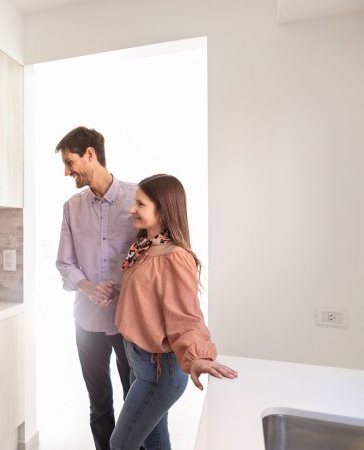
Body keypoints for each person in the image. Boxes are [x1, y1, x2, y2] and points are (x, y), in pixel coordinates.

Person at [110, 174, 238, 450]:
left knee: (120, 443)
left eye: (140, 204)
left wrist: (198, 357)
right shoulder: (144, 248)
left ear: (163, 211)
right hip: (139, 362)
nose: (132, 209)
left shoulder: (174, 257)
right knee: (155, 440)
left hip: (159, 371)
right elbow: (150, 299)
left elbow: (186, 317)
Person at [55, 126, 137, 450]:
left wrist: (121, 286)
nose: (66, 171)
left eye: (69, 162)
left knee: (135, 402)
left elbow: (151, 255)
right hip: (86, 323)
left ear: (90, 154)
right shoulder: (71, 207)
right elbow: (64, 263)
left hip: (127, 321)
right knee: (99, 403)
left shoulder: (137, 198)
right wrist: (89, 288)